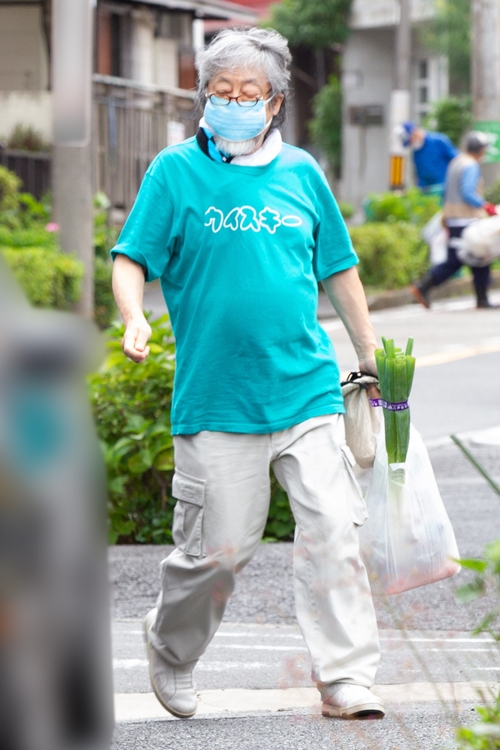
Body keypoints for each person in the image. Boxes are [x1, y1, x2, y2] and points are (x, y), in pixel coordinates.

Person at [111, 27, 384, 721]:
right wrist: (133, 315)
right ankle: (171, 649)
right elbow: (131, 256)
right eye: (221, 93)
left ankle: (345, 676)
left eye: (249, 94)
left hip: (306, 387)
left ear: (275, 102)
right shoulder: (175, 172)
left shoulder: (301, 174)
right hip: (216, 397)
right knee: (219, 556)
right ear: (204, 98)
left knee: (333, 531)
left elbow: (338, 268)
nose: (234, 103)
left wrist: (368, 349)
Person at [411, 131, 498, 309]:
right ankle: (424, 286)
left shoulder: (456, 162)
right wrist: (486, 206)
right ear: (481, 150)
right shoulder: (471, 166)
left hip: (453, 218)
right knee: (474, 258)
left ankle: (481, 299)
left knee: (472, 259)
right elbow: (468, 192)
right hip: (466, 219)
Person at [401, 121, 458, 198]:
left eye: (411, 141)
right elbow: (420, 175)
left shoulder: (439, 141)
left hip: (444, 190)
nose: (412, 144)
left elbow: (456, 160)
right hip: (427, 193)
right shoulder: (416, 153)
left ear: (415, 133)